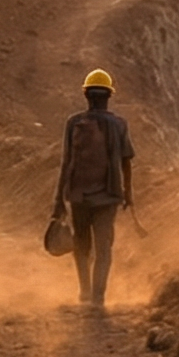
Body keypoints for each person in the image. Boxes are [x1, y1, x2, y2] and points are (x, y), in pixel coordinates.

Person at [55, 68, 134, 311]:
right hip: (107, 197)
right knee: (103, 249)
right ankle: (98, 299)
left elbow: (66, 163)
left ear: (86, 95)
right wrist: (128, 193)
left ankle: (85, 292)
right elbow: (126, 161)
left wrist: (58, 200)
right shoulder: (119, 124)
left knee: (81, 245)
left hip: (78, 195)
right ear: (108, 96)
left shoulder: (74, 122)